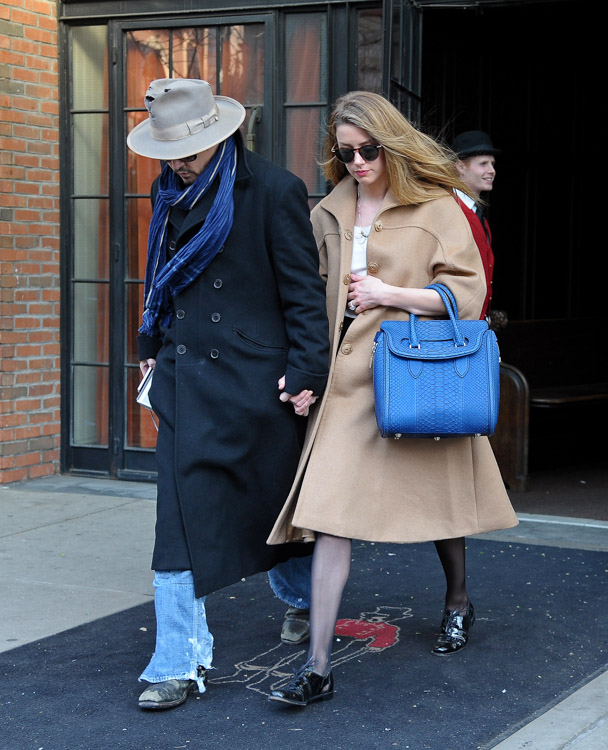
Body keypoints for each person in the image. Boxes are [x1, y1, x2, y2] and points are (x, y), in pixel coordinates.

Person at [266, 91, 518, 707]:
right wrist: (304, 374)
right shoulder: (327, 211)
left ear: (391, 142)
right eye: (345, 151)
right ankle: (318, 668)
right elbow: (307, 301)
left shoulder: (437, 207)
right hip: (346, 384)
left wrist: (390, 293)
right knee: (327, 516)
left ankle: (457, 597)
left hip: (413, 373)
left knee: (442, 495)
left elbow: (467, 295)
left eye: (368, 149)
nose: (356, 162)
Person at [126, 78, 330, 710]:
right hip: (188, 386)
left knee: (273, 505)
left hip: (255, 384)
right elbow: (163, 289)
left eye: (187, 151)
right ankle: (177, 662)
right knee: (180, 526)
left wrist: (306, 374)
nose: (176, 164)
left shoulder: (273, 190)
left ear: (221, 137)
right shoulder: (167, 196)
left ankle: (301, 598)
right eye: (168, 154)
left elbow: (302, 295)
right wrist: (152, 355)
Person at [451, 130, 501, 319]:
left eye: (492, 164)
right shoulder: (448, 210)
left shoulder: (478, 214)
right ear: (460, 167)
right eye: (483, 164)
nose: (492, 170)